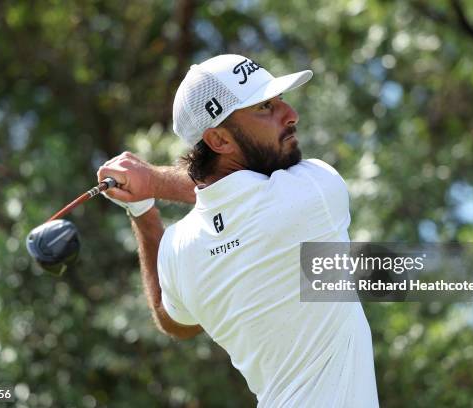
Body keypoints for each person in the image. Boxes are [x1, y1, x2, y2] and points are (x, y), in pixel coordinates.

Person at [97, 54, 379, 407]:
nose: (290, 114)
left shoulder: (178, 250)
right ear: (219, 140)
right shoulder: (315, 191)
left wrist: (141, 210)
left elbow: (173, 322)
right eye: (265, 107)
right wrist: (152, 181)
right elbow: (242, 198)